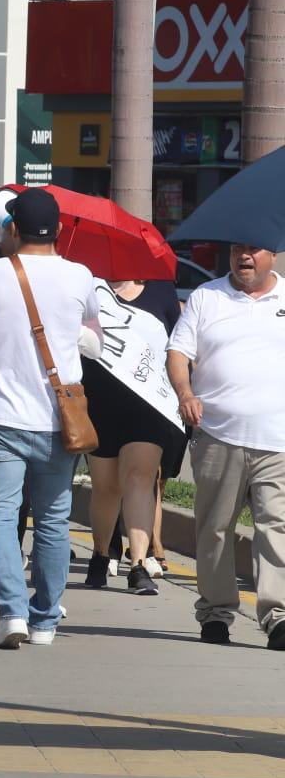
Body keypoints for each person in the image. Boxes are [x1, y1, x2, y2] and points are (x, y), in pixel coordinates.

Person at [0, 188, 100, 649]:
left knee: (0, 516)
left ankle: (11, 612)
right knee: (54, 520)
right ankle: (45, 621)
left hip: (3, 418)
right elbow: (94, 339)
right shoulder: (81, 276)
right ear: (60, 229)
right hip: (61, 421)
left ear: (12, 228)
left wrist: (4, 249)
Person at [167, 242, 285, 650]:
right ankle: (216, 614)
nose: (244, 257)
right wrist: (185, 393)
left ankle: (278, 617)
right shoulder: (207, 296)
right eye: (237, 250)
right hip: (218, 434)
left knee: (276, 527)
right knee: (214, 528)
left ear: (273, 256)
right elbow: (178, 352)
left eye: (253, 250)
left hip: (278, 440)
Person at [82, 276, 184, 595]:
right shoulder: (90, 289)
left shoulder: (162, 293)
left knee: (140, 479)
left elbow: (178, 345)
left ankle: (138, 564)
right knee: (107, 487)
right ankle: (101, 554)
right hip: (99, 401)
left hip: (148, 404)